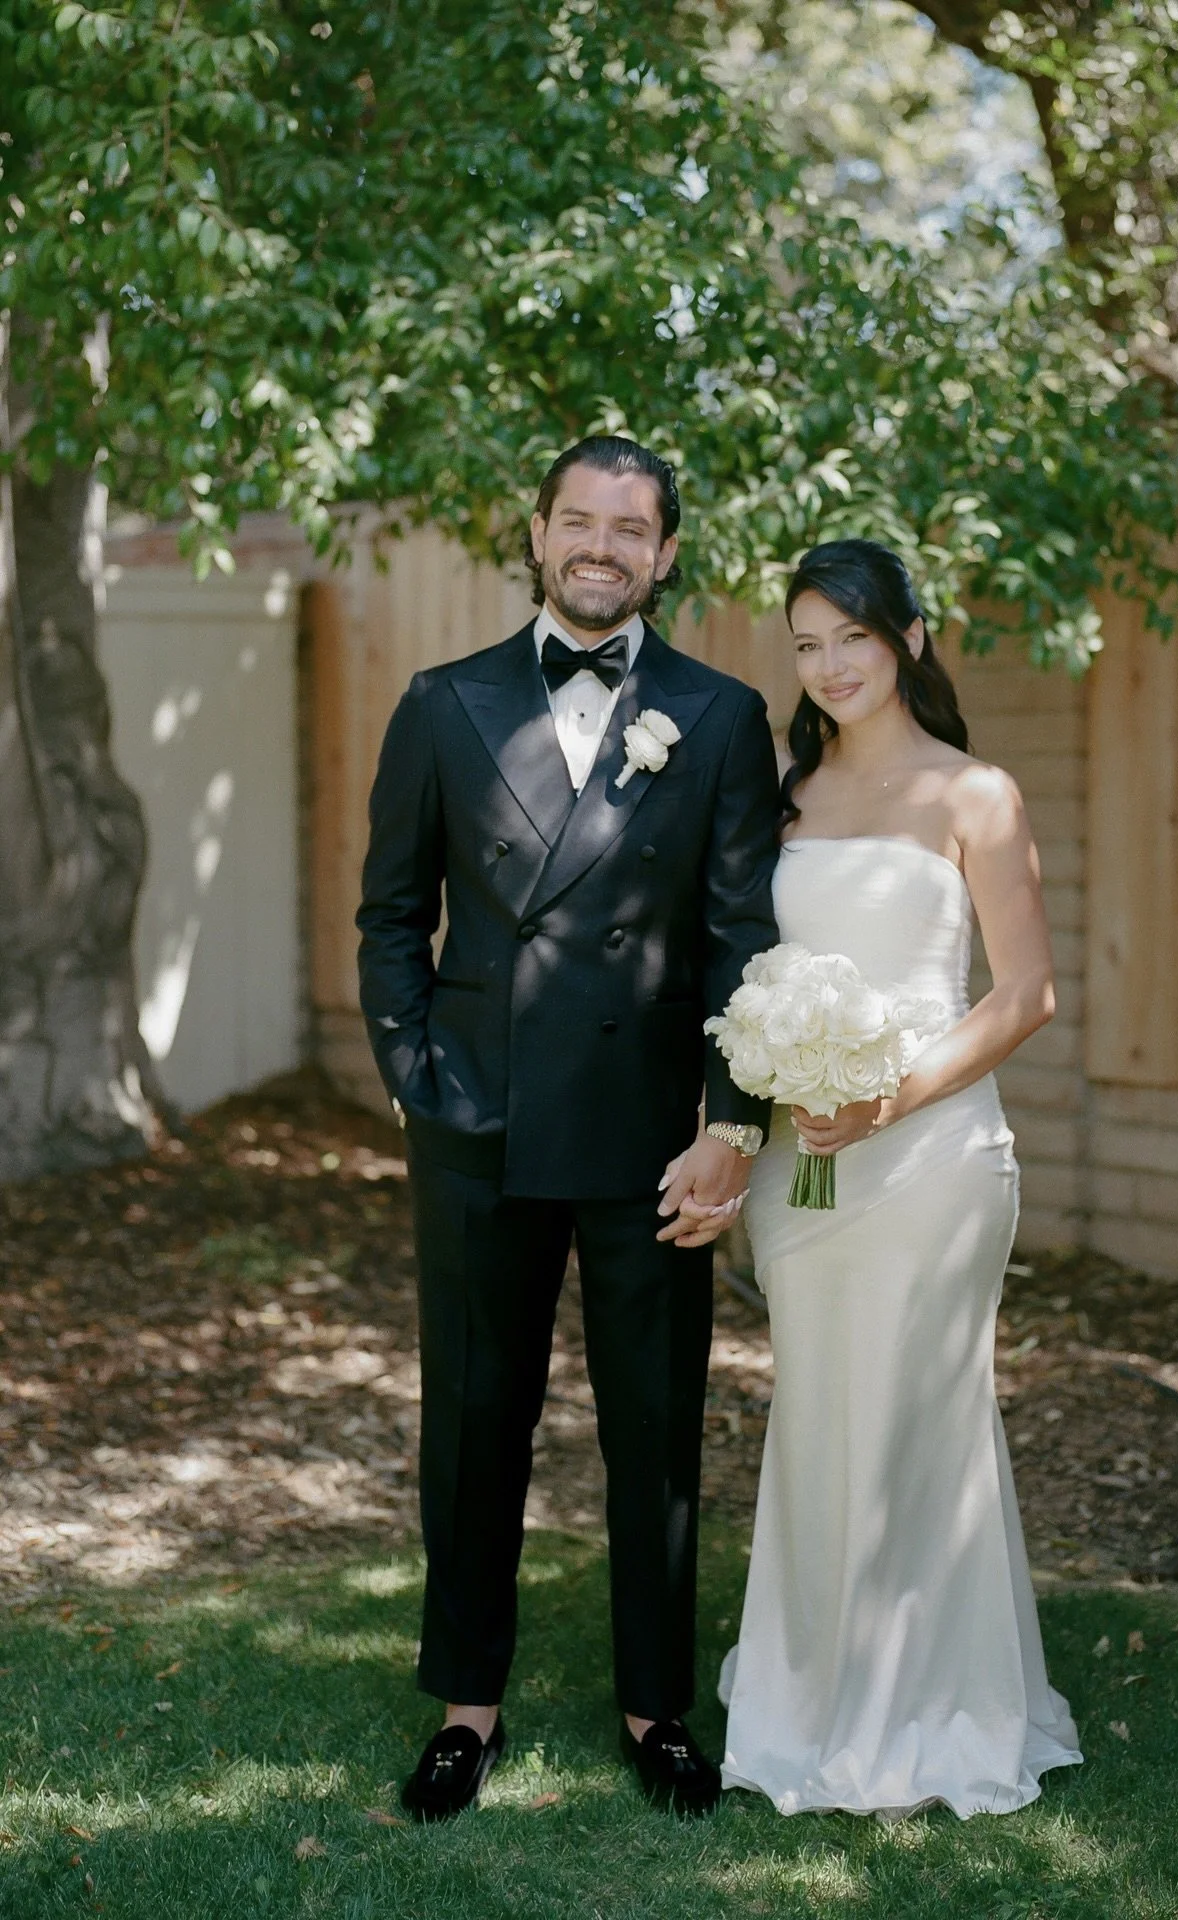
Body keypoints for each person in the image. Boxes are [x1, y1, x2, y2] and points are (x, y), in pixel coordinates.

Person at [357, 436, 780, 1822]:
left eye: (631, 528)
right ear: (538, 533)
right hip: (478, 1125)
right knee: (475, 1415)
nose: (603, 547)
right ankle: (465, 1708)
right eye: (579, 522)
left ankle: (656, 1709)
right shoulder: (443, 702)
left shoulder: (720, 716)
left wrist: (731, 1123)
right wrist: (418, 1076)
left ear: (666, 554)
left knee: (655, 1426)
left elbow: (741, 938)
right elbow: (390, 914)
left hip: (653, 1137)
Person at [719, 538, 1083, 1817]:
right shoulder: (783, 797)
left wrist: (891, 1098)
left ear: (910, 639)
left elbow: (1026, 994)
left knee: (920, 1419)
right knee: (821, 1414)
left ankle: (931, 1703)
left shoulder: (975, 793)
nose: (829, 667)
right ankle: (811, 1689)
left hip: (932, 1159)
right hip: (800, 1165)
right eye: (807, 645)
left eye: (853, 639)